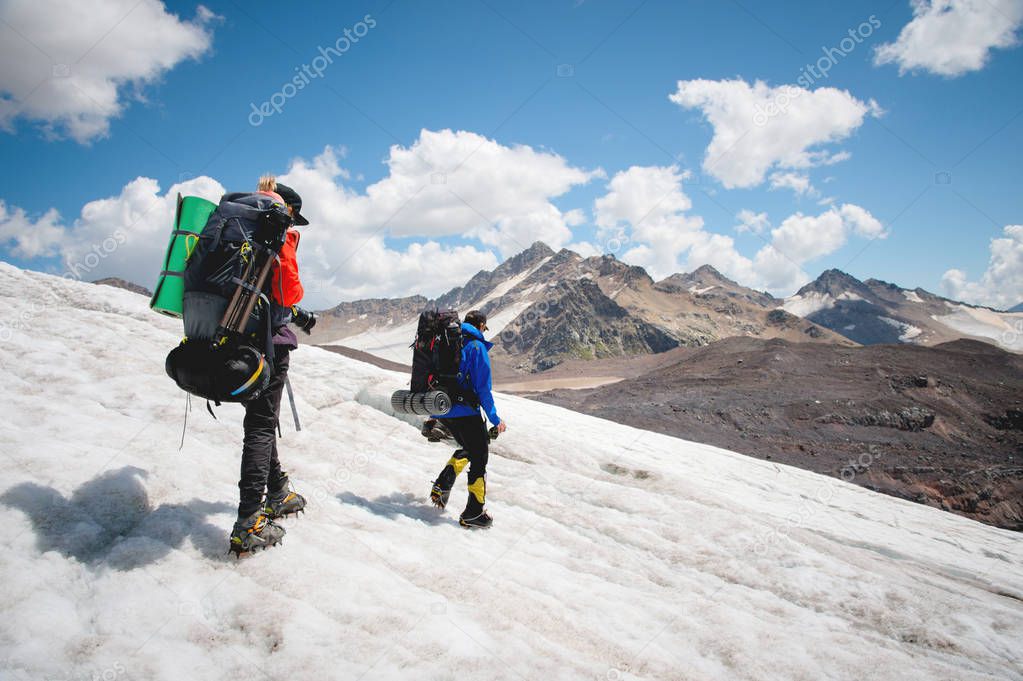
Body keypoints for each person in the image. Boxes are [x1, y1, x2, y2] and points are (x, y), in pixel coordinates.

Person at [230, 176, 317, 554]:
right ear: (290, 210)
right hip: (267, 343)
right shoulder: (276, 226)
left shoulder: (239, 224)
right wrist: (295, 305)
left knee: (260, 420)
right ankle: (248, 521)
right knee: (262, 425)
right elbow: (286, 290)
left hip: (236, 338)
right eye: (294, 219)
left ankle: (277, 490)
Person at [429, 310, 506, 529]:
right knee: (480, 457)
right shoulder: (476, 346)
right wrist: (494, 418)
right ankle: (474, 512)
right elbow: (483, 388)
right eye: (484, 327)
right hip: (465, 410)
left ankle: (442, 485)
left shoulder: (448, 340)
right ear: (481, 325)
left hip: (442, 408)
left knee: (469, 448)